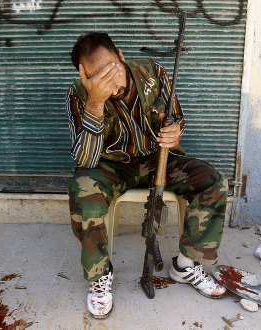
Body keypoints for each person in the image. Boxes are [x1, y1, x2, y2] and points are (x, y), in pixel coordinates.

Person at [66, 32, 227, 319]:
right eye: (96, 77)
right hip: (112, 166)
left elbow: (175, 117)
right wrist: (95, 102)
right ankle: (99, 276)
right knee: (83, 187)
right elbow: (86, 160)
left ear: (122, 56)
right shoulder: (79, 94)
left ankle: (186, 265)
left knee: (212, 181)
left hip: (159, 160)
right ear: (84, 76)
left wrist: (174, 131)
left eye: (112, 69)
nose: (109, 82)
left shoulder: (153, 72)